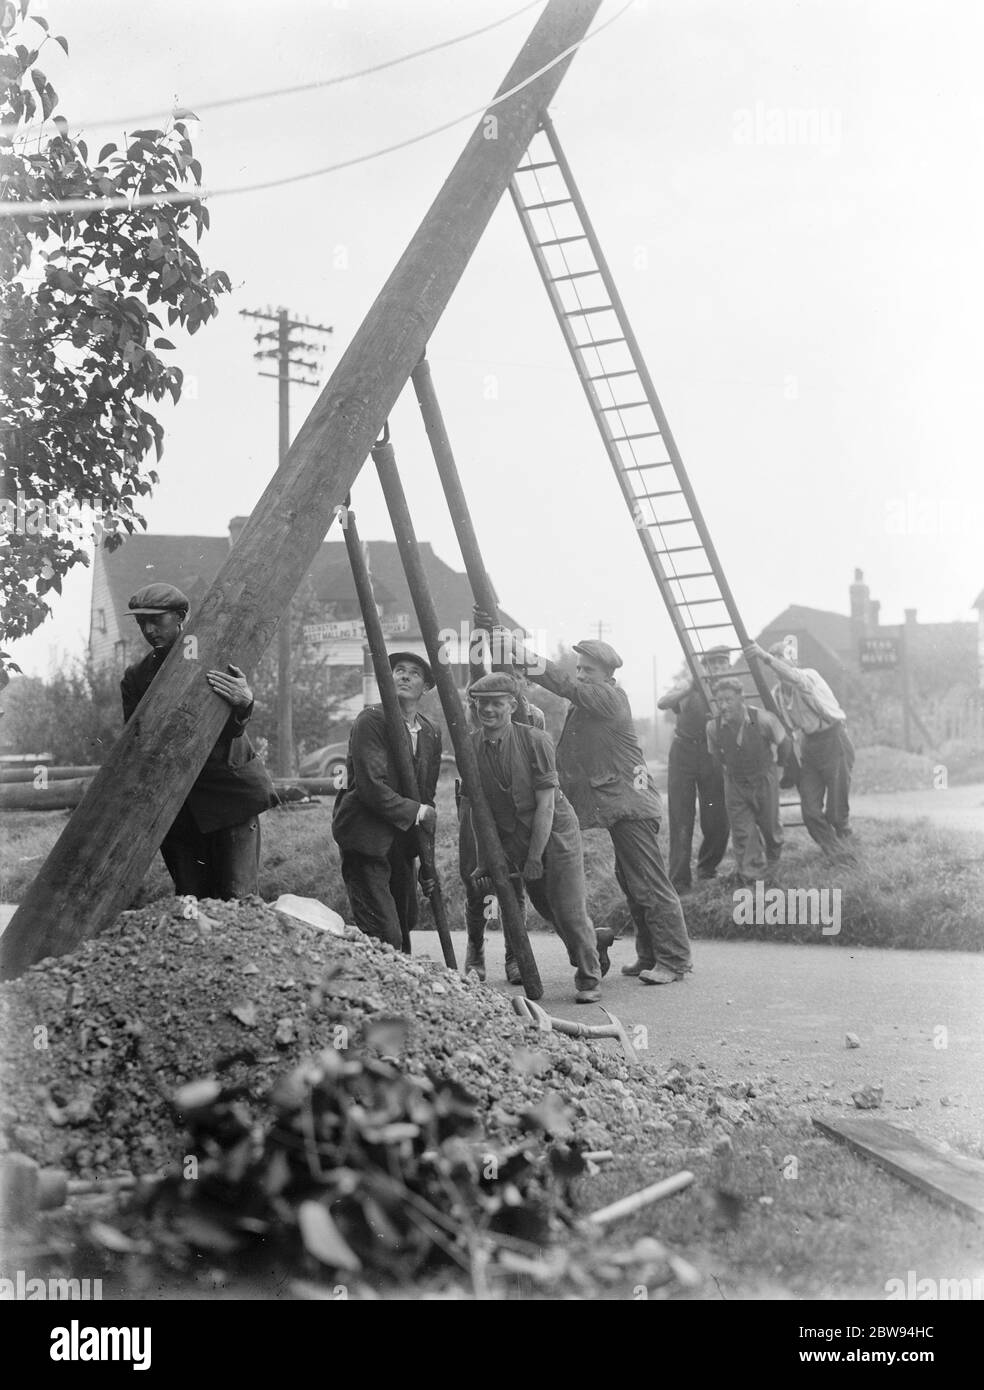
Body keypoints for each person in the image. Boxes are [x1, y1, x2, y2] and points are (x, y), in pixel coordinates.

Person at [477, 613, 692, 985]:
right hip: (617, 803)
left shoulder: (609, 698)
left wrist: (517, 650)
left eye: (588, 670)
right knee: (631, 880)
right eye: (579, 668)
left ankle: (674, 959)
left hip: (630, 803)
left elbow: (561, 684)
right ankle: (648, 955)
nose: (580, 675)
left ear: (608, 676)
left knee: (648, 883)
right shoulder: (590, 702)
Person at [120, 583, 278, 899]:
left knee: (239, 897)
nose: (149, 630)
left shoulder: (216, 655)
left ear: (180, 617)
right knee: (192, 899)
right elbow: (138, 742)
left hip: (228, 796)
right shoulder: (136, 677)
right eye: (141, 622)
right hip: (177, 807)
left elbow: (231, 728)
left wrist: (245, 701)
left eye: (157, 620)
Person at [464, 672, 605, 1003]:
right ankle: (593, 946)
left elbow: (545, 806)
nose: (489, 711)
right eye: (482, 704)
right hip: (516, 835)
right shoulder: (470, 746)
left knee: (568, 909)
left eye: (497, 704)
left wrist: (533, 859)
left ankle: (588, 978)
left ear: (512, 706)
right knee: (547, 908)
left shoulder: (535, 741)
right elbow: (477, 810)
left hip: (555, 832)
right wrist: (486, 859)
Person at [332, 652, 442, 953]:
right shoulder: (372, 721)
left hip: (402, 842)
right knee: (385, 934)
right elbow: (371, 787)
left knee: (404, 926)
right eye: (398, 670)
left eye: (414, 673)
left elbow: (427, 796)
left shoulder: (430, 731)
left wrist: (426, 861)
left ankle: (397, 995)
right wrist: (417, 811)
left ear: (427, 687)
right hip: (366, 838)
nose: (404, 676)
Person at [744, 640, 856, 860]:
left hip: (834, 738)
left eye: (783, 657)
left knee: (836, 812)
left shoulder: (809, 675)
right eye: (775, 657)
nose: (778, 662)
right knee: (811, 810)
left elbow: (796, 679)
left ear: (794, 660)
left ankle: (846, 839)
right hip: (810, 745)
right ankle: (836, 853)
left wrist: (765, 656)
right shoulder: (776, 694)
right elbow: (787, 728)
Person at [657, 645, 731, 891]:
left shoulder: (729, 691)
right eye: (713, 664)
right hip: (683, 752)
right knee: (681, 816)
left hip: (713, 755)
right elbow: (663, 702)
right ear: (705, 666)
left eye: (723, 664)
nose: (718, 669)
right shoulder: (688, 685)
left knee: (717, 817)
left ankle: (707, 870)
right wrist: (691, 686)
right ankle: (678, 879)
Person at [706, 677, 791, 885]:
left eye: (728, 700)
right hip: (735, 783)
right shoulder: (713, 727)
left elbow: (784, 742)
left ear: (741, 699)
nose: (723, 706)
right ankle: (753, 878)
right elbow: (715, 753)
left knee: (771, 828)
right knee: (743, 832)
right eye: (719, 702)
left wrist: (778, 766)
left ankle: (773, 864)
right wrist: (730, 770)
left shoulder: (762, 719)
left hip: (764, 779)